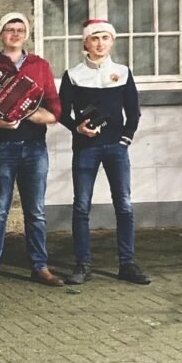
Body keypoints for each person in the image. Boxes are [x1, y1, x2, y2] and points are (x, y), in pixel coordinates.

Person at [0, 12, 64, 288]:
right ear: (0, 35)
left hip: (34, 147)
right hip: (1, 146)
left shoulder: (40, 65)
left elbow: (55, 108)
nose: (15, 33)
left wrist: (38, 115)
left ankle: (40, 266)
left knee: (35, 210)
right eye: (9, 29)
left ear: (26, 33)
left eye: (20, 29)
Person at [60, 19, 150, 286]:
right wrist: (78, 129)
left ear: (112, 42)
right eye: (94, 38)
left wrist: (125, 139)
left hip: (116, 149)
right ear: (85, 43)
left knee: (123, 205)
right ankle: (82, 264)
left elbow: (133, 112)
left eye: (105, 38)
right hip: (86, 149)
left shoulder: (122, 72)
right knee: (81, 206)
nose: (100, 43)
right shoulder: (73, 74)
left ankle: (127, 263)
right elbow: (62, 113)